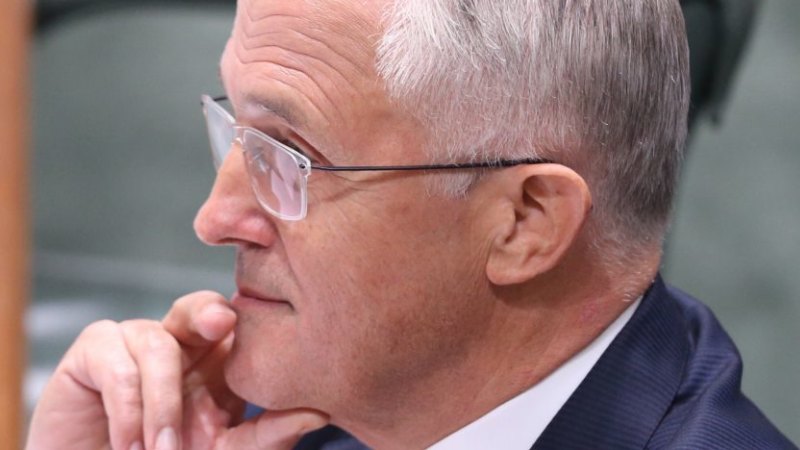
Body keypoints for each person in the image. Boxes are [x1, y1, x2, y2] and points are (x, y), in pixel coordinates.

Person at [27, 0, 795, 449]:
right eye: (238, 134)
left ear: (525, 222)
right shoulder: (289, 412)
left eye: (291, 157)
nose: (214, 219)